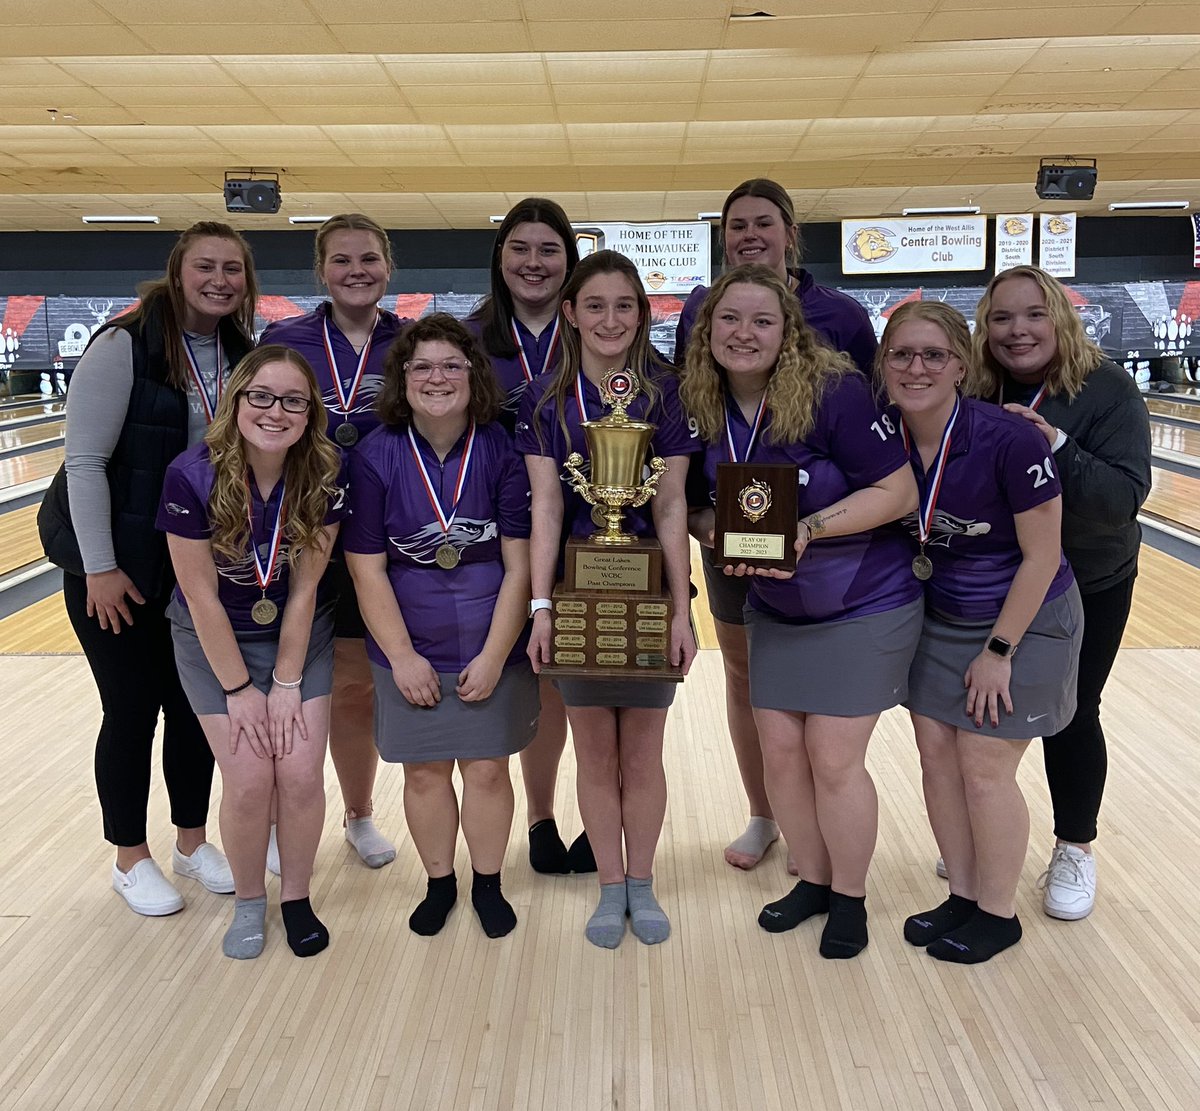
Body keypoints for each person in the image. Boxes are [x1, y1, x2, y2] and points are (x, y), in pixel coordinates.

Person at [679, 263, 919, 959]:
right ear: (707, 330)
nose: (744, 333)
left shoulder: (834, 391)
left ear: (788, 332)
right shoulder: (700, 401)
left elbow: (896, 490)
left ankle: (851, 897)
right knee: (781, 753)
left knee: (833, 757)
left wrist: (807, 531)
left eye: (762, 320)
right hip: (776, 604)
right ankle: (813, 880)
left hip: (861, 600)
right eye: (729, 319)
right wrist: (712, 531)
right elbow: (692, 503)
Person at [38, 221, 258, 916]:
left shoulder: (239, 352)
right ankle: (129, 858)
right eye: (206, 266)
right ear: (177, 271)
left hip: (196, 566)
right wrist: (100, 568)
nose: (220, 279)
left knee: (195, 709)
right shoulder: (122, 345)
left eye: (233, 268)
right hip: (120, 567)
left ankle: (192, 842)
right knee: (131, 710)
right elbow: (85, 463)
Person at [678, 178, 877, 872]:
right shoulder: (703, 308)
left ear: (792, 233)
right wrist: (701, 516)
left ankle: (822, 818)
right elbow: (696, 408)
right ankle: (765, 812)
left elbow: (875, 430)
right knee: (744, 672)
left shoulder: (844, 316)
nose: (750, 235)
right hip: (729, 532)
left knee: (822, 694)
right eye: (737, 225)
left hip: (827, 542)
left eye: (765, 223)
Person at [880, 301, 1084, 963]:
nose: (917, 368)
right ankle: (963, 896)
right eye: (902, 354)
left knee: (984, 768)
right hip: (940, 620)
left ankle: (999, 914)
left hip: (1024, 620)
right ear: (883, 365)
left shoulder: (1009, 437)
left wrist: (1000, 650)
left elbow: (1043, 555)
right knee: (937, 759)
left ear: (961, 366)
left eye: (933, 355)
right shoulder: (883, 435)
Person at [517, 250, 697, 948]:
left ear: (642, 314)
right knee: (594, 752)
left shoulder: (670, 393)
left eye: (625, 305)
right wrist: (540, 605)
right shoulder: (541, 400)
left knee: (643, 753)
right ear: (569, 313)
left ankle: (643, 882)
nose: (610, 319)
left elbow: (674, 504)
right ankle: (610, 886)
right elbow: (545, 508)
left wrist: (682, 608)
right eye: (595, 305)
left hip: (650, 596)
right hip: (576, 599)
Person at [345, 315, 535, 939]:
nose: (437, 377)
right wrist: (400, 658)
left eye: (452, 365)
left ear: (473, 375)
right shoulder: (375, 454)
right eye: (421, 366)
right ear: (401, 377)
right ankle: (438, 883)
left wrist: (494, 653)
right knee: (424, 769)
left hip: (489, 635)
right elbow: (366, 569)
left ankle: (487, 883)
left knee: (485, 769)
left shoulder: (502, 449)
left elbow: (519, 565)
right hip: (407, 638)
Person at [975, 265, 1152, 921]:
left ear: (1059, 318)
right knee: (985, 703)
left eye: (1032, 315)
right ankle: (993, 827)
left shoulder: (1107, 390)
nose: (1017, 330)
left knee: (1073, 712)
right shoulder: (977, 386)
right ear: (984, 328)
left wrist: (1052, 441)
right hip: (999, 576)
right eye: (1001, 318)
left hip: (1089, 577)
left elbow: (1121, 500)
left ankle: (1075, 845)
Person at [158, 346, 343, 959]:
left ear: (309, 411)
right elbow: (200, 596)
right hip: (214, 642)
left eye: (293, 400)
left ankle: (295, 898)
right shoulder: (192, 473)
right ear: (237, 400)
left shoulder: (324, 472)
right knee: (244, 780)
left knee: (296, 772)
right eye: (260, 396)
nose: (275, 411)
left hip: (297, 637)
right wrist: (239, 693)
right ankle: (247, 901)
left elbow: (307, 585)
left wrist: (287, 682)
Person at [259, 213, 406, 871]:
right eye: (342, 260)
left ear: (387, 267)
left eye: (369, 259)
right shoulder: (285, 339)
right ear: (322, 270)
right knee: (278, 680)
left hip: (379, 535)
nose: (356, 271)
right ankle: (268, 816)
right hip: (294, 531)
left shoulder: (408, 343)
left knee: (353, 687)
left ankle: (359, 813)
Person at [466, 198, 592, 876]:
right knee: (539, 678)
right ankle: (542, 818)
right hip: (506, 537)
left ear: (568, 261)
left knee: (594, 679)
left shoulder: (596, 331)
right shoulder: (472, 337)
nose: (535, 262)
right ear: (501, 258)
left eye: (549, 250)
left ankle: (601, 817)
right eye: (521, 248)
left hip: (599, 535)